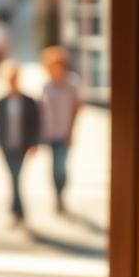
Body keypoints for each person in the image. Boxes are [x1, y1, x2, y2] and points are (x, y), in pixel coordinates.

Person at [0, 60, 40, 227]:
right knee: (13, 179)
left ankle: (17, 213)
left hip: (22, 145)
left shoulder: (28, 100)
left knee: (16, 179)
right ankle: (18, 213)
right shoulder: (2, 101)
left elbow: (35, 124)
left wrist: (35, 143)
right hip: (7, 145)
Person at [39, 45, 82, 214]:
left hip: (64, 133)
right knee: (52, 168)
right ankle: (57, 197)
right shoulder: (46, 85)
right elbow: (41, 110)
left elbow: (77, 108)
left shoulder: (72, 83)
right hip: (49, 133)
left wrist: (72, 130)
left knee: (60, 167)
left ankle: (62, 194)